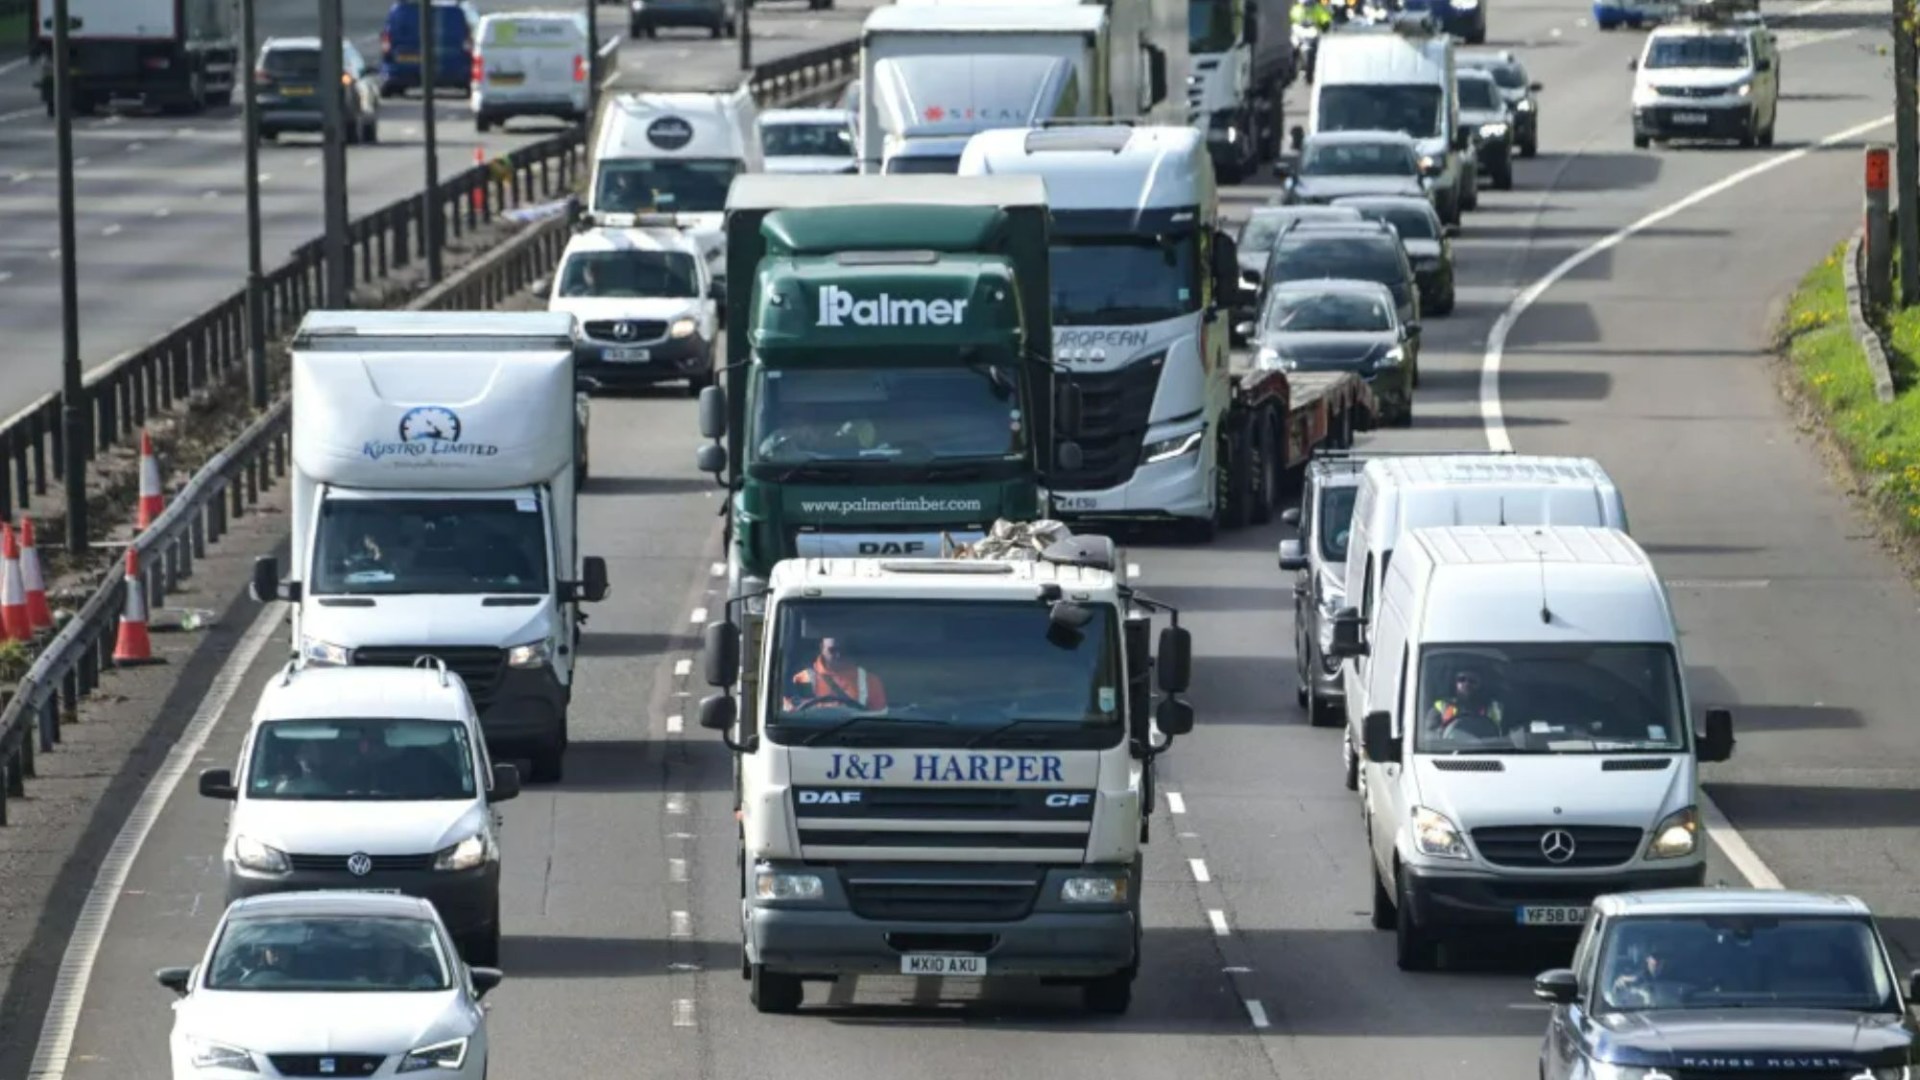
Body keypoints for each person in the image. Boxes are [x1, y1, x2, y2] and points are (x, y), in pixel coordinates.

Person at [786, 636, 888, 711]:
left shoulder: (871, 681)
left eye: (843, 650)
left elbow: (879, 719)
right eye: (832, 650)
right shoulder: (802, 679)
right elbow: (792, 715)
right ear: (821, 648)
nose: (838, 655)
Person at [1425, 661, 1504, 740]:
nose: (1466, 684)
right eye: (1461, 679)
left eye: (1472, 681)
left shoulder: (1491, 709)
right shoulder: (1441, 707)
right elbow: (1429, 736)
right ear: (1455, 683)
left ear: (1480, 685)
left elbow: (1500, 735)